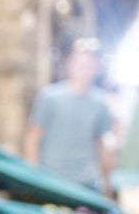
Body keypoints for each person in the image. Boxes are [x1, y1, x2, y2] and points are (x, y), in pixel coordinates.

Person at [24, 38, 118, 196]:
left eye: (89, 65)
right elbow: (33, 137)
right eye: (80, 64)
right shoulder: (49, 97)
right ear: (70, 64)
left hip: (86, 182)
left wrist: (107, 183)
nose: (84, 70)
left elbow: (100, 144)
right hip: (52, 178)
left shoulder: (100, 103)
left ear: (96, 68)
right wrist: (33, 175)